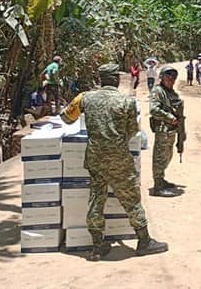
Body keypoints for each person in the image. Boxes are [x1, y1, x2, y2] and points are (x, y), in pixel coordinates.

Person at [60, 64, 167, 260]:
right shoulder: (126, 102)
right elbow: (132, 131)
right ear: (117, 79)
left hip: (95, 158)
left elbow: (66, 118)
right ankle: (144, 241)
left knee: (96, 199)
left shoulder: (85, 98)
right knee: (131, 199)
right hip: (119, 158)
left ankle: (97, 246)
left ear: (101, 79)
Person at [149, 65, 184, 197]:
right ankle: (158, 186)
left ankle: (161, 179)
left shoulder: (172, 93)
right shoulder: (158, 91)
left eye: (173, 77)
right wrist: (169, 117)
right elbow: (153, 110)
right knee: (159, 157)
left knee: (167, 156)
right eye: (168, 76)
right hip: (163, 129)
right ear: (162, 77)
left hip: (172, 130)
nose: (171, 79)